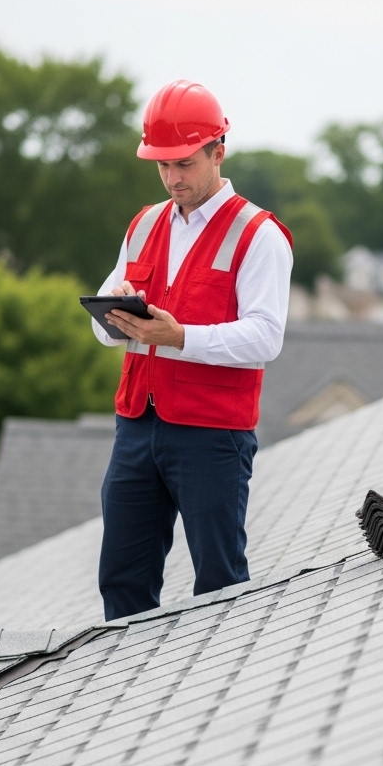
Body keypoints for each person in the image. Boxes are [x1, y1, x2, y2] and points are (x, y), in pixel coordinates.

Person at [90, 80, 293, 621]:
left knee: (221, 585)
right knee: (121, 579)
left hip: (211, 435)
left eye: (183, 163)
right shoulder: (143, 224)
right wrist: (114, 317)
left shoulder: (259, 234)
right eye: (162, 165)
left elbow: (266, 337)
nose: (172, 178)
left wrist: (180, 337)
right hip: (136, 427)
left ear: (218, 152)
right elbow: (105, 328)